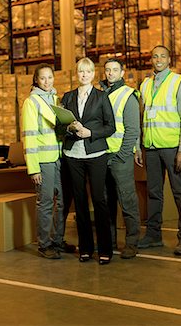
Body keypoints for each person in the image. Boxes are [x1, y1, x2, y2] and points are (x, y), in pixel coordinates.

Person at [135, 45, 181, 255]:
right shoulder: (145, 84)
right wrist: (138, 147)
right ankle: (153, 235)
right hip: (150, 147)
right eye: (154, 56)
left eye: (162, 56)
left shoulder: (179, 82)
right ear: (151, 60)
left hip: (172, 148)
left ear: (169, 60)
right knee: (154, 193)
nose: (158, 59)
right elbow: (141, 118)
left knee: (180, 193)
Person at [61, 57, 115, 265]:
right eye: (81, 72)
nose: (84, 75)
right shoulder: (67, 97)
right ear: (77, 74)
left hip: (95, 155)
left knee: (99, 201)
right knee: (80, 201)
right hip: (73, 155)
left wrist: (90, 132)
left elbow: (111, 127)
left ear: (94, 74)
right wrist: (69, 129)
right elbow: (59, 124)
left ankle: (105, 249)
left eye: (88, 72)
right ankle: (85, 248)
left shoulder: (102, 98)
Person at [22, 64, 65, 259]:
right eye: (43, 78)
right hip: (43, 160)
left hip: (59, 158)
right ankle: (44, 244)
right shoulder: (32, 103)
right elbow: (29, 136)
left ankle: (58, 240)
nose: (47, 81)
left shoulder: (56, 99)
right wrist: (34, 168)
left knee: (62, 202)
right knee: (46, 203)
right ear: (36, 80)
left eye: (50, 77)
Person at [100, 58, 141, 259]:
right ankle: (110, 241)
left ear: (122, 73)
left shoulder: (128, 95)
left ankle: (132, 242)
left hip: (119, 158)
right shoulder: (100, 93)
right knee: (107, 202)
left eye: (115, 70)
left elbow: (133, 130)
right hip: (102, 156)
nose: (111, 73)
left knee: (127, 200)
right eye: (107, 70)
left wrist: (122, 155)